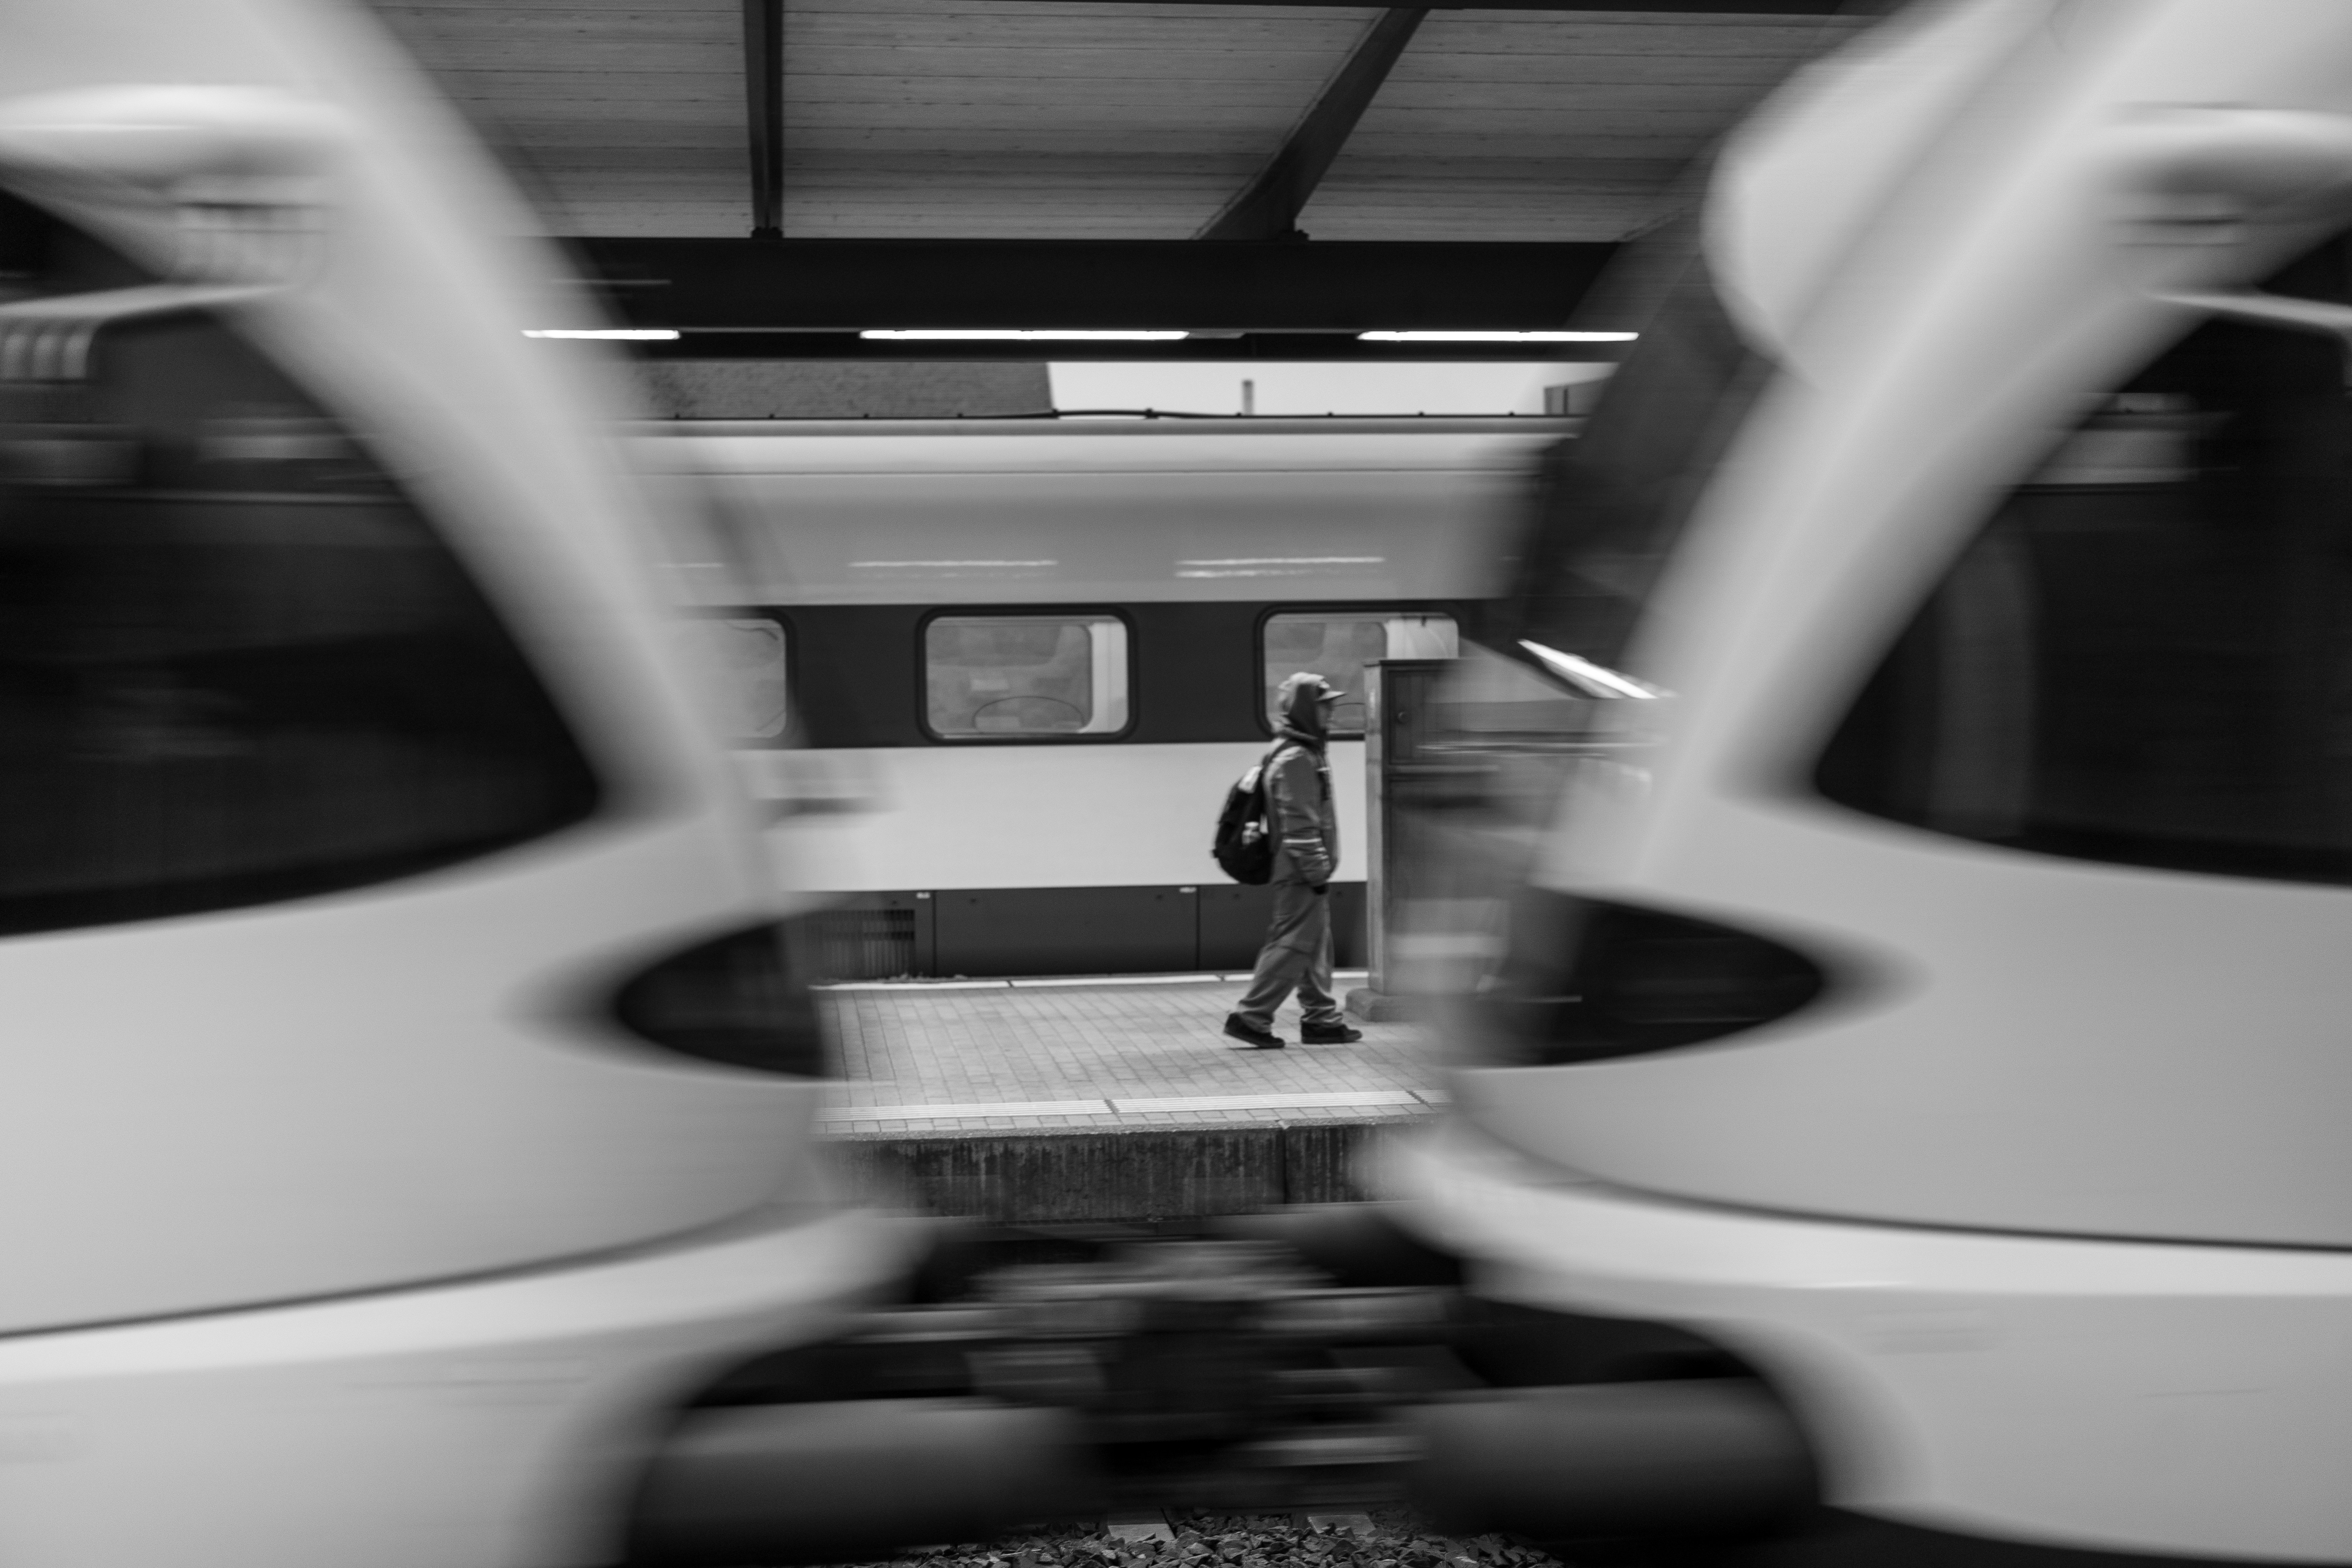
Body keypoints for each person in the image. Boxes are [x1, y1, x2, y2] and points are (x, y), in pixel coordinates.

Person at [1224, 672, 1366, 1049]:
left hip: (1303, 870)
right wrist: (1317, 872)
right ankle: (1250, 1017)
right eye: (1324, 707)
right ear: (1305, 708)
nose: (1331, 714)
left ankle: (1321, 1019)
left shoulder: (1300, 751)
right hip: (1300, 871)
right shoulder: (1297, 758)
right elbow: (1300, 826)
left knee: (1315, 945)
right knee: (1291, 946)